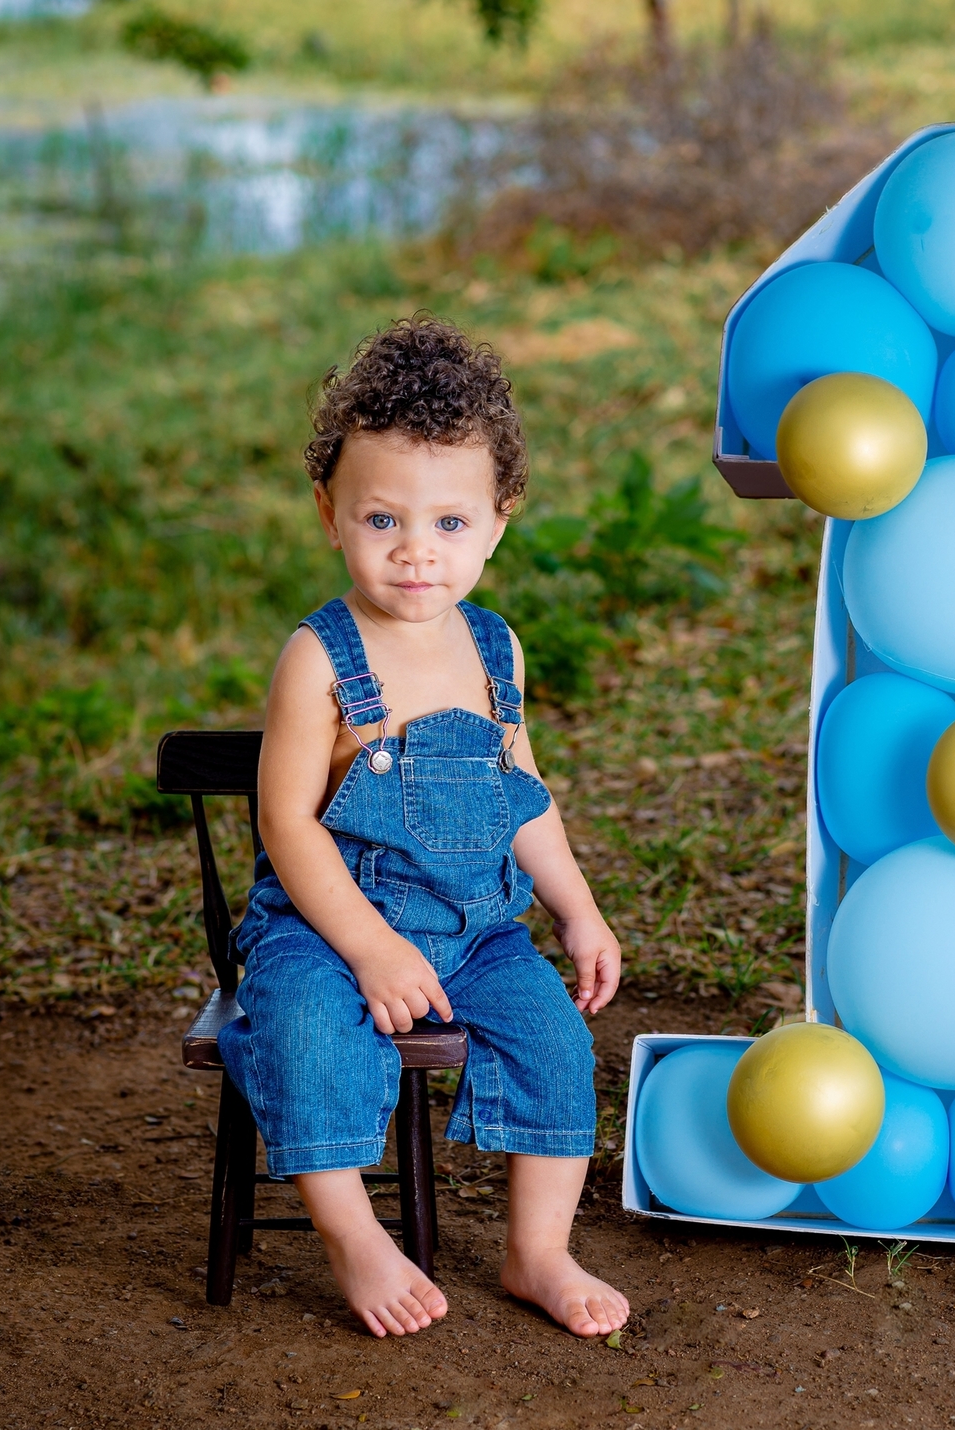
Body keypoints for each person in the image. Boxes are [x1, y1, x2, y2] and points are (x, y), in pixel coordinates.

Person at [218, 316, 628, 1341]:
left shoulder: (496, 649)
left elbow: (522, 793)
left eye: (450, 524)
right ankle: (356, 1236)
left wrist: (577, 911)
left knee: (554, 1040)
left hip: (476, 926)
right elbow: (287, 826)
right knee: (309, 1032)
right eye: (381, 519)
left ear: (497, 522)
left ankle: (538, 1249)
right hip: (325, 924)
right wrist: (367, 943)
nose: (415, 551)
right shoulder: (319, 657)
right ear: (331, 514)